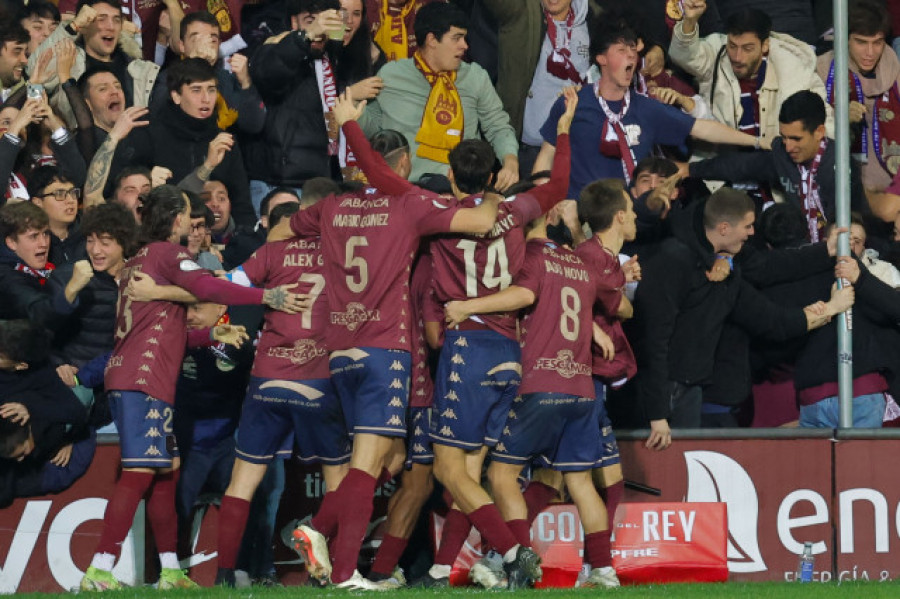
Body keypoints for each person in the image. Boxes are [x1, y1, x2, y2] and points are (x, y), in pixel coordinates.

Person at [286, 91, 524, 590]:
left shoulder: (332, 207)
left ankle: (359, 563)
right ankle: (338, 555)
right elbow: (481, 221)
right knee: (375, 466)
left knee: (386, 464)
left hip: (340, 350)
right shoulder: (410, 208)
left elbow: (279, 235)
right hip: (391, 357)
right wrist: (504, 191)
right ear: (405, 165)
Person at [78, 184, 306, 591]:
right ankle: (99, 569)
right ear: (176, 219)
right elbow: (209, 289)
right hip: (142, 379)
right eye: (186, 212)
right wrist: (265, 295)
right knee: (137, 475)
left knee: (165, 474)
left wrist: (216, 336)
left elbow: (169, 327)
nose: (191, 219)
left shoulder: (140, 260)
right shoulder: (167, 254)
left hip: (142, 376)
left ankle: (169, 571)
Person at [415, 88, 574, 589]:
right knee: (473, 471)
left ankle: (512, 552)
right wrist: (564, 126)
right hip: (511, 350)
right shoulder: (519, 209)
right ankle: (444, 569)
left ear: (450, 175)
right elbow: (562, 181)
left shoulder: (438, 214)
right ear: (491, 176)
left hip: (469, 344)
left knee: (447, 469)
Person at [442, 184, 632, 590]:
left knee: (502, 475)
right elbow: (604, 307)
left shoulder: (528, 258)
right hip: (581, 388)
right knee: (581, 482)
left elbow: (524, 294)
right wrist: (595, 332)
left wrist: (467, 306)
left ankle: (518, 564)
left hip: (539, 383)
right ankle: (603, 570)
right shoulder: (578, 262)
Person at [629, 187, 854, 446]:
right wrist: (657, 412)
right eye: (747, 226)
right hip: (662, 390)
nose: (752, 232)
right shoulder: (673, 260)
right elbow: (653, 338)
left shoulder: (730, 270)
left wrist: (826, 259)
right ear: (724, 228)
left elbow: (772, 306)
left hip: (691, 389)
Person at [214, 193, 351, 587]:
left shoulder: (271, 254)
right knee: (338, 476)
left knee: (243, 479)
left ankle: (225, 574)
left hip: (268, 378)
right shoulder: (337, 252)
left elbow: (227, 286)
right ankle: (331, 570)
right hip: (318, 379)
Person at [534, 17, 763, 199]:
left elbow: (701, 128)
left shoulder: (645, 108)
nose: (631, 55)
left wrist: (756, 141)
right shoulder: (573, 103)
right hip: (579, 215)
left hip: (628, 219)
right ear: (601, 58)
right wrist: (544, 202)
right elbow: (546, 155)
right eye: (622, 50)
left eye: (633, 49)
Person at [358, 2, 520, 188]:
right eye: (457, 38)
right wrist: (354, 103)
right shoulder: (391, 76)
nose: (465, 46)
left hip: (461, 190)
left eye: (465, 38)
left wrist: (511, 160)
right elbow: (373, 130)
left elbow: (498, 126)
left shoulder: (475, 77)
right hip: (408, 190)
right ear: (432, 40)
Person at [686, 91, 867, 242]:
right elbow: (742, 166)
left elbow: (855, 222)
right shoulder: (782, 153)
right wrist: (690, 170)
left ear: (819, 132)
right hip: (802, 249)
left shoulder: (842, 165)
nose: (788, 146)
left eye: (796, 139)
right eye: (784, 137)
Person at [668, 3, 830, 147]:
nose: (738, 57)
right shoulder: (717, 54)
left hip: (775, 168)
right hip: (722, 169)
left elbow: (824, 123)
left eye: (747, 48)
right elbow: (683, 55)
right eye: (732, 46)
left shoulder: (795, 71)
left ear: (765, 45)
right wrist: (690, 22)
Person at [245, 0, 346, 210]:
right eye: (310, 21)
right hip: (277, 185)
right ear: (293, 22)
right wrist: (303, 38)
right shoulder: (273, 47)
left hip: (320, 184)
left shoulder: (330, 59)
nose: (318, 30)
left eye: (323, 22)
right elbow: (268, 73)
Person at [0, 320, 94, 509]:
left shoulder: (41, 377)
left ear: (21, 365)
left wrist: (29, 406)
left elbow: (76, 413)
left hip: (27, 445)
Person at [26, 0, 162, 127]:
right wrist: (72, 27)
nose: (110, 27)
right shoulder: (67, 61)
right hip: (75, 148)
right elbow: (34, 70)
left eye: (116, 20)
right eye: (101, 19)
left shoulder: (140, 70)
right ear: (83, 26)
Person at [817, 0, 898, 195]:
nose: (870, 53)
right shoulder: (821, 70)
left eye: (877, 43)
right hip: (839, 190)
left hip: (892, 191)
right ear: (844, 38)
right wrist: (838, 118)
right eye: (861, 42)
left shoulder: (896, 70)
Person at [150, 11, 266, 135]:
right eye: (197, 39)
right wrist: (194, 68)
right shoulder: (167, 78)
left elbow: (254, 125)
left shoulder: (226, 78)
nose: (205, 45)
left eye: (212, 40)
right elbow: (159, 118)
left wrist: (245, 81)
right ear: (182, 46)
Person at [0, 201, 61, 326]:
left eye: (46, 234)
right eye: (33, 236)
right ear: (11, 242)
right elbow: (38, 309)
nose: (43, 243)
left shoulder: (54, 260)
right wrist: (68, 295)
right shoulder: (6, 276)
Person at [28, 165, 86, 265]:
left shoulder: (90, 231)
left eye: (73, 193)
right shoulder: (31, 243)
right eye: (59, 194)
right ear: (37, 202)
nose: (70, 200)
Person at [0, 24, 29, 102]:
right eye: (17, 51)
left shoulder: (25, 84)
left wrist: (35, 84)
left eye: (25, 53)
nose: (25, 60)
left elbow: (38, 110)